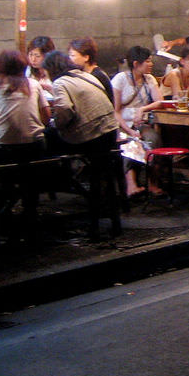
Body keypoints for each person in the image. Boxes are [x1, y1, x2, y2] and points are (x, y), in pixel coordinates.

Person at [43, 50, 121, 241]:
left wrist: (54, 124)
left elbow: (65, 111)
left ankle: (57, 181)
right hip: (110, 133)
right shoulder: (86, 76)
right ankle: (113, 221)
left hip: (91, 137)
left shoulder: (60, 83)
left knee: (44, 139)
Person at [0, 50, 51, 241]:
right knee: (30, 178)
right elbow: (47, 116)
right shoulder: (33, 84)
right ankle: (29, 213)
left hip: (3, 151)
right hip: (34, 148)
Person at [111, 46, 165, 198]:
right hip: (123, 124)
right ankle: (131, 185)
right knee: (131, 143)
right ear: (136, 64)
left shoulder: (150, 79)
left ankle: (152, 182)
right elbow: (115, 111)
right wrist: (129, 131)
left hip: (142, 124)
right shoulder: (120, 80)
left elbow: (159, 102)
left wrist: (143, 109)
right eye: (147, 61)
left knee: (153, 139)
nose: (151, 64)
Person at [68, 36, 113, 103]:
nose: (70, 59)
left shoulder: (98, 76)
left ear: (86, 57)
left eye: (73, 55)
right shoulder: (81, 73)